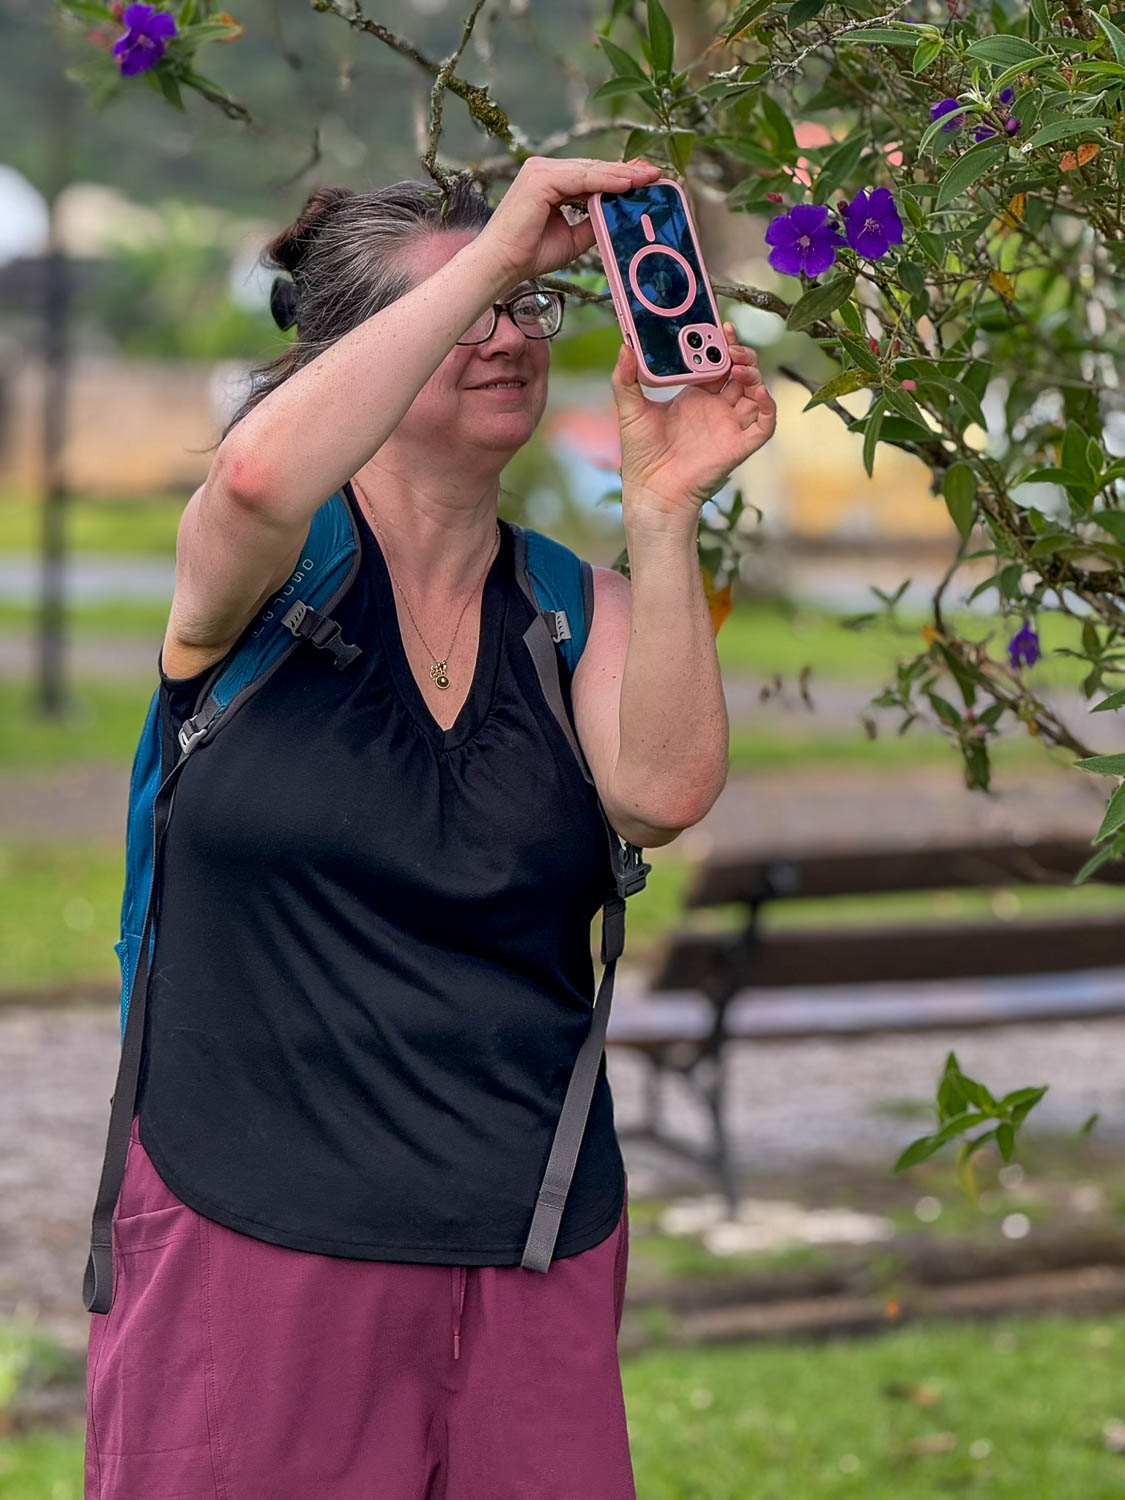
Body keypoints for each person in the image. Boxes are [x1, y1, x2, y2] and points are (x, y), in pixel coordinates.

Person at [83, 156, 776, 1500]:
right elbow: (254, 480)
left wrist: (664, 507)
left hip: (523, 1221)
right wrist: (499, 252)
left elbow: (663, 791)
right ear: (361, 359)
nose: (510, 333)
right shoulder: (273, 567)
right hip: (255, 1212)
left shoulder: (571, 604)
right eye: (467, 307)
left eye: (527, 309)